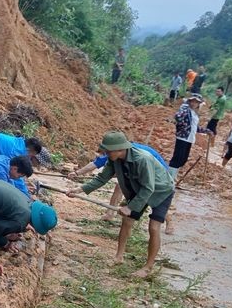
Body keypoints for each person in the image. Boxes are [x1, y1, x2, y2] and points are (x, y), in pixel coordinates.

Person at [66, 132, 175, 278]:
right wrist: (79, 189)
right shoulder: (114, 159)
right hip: (139, 189)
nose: (105, 153)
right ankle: (119, 257)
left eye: (108, 151)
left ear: (120, 149)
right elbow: (101, 178)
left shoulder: (142, 159)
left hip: (161, 190)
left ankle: (148, 268)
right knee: (126, 221)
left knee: (154, 227)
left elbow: (149, 188)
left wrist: (130, 207)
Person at [68, 142, 168, 221]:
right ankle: (111, 213)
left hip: (157, 172)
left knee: (154, 198)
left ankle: (167, 219)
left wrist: (130, 207)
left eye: (103, 154)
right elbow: (99, 172)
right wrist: (77, 174)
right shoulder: (115, 152)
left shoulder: (118, 153)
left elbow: (95, 165)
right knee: (121, 186)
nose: (102, 156)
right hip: (141, 169)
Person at [0, 131, 53, 195]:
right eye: (39, 163)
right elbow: (14, 175)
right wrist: (26, 197)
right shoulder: (16, 152)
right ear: (34, 156)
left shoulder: (20, 145)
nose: (38, 165)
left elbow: (14, 176)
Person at [167, 93, 213, 179]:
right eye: (192, 101)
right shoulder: (186, 110)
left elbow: (195, 127)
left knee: (183, 159)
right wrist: (183, 109)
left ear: (199, 104)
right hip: (182, 137)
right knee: (177, 158)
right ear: (189, 101)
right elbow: (178, 117)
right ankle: (169, 179)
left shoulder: (194, 113)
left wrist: (207, 131)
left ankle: (172, 177)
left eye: (196, 102)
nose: (194, 103)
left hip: (189, 138)